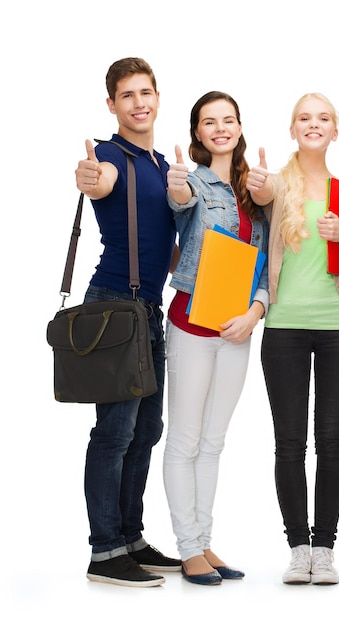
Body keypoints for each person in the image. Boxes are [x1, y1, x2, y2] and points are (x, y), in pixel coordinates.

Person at [246, 93, 339, 585]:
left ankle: (325, 548)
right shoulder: (276, 185)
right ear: (293, 129)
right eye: (304, 118)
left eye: (323, 119)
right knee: (289, 442)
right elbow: (257, 193)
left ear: (335, 131)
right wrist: (256, 183)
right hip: (284, 328)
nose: (313, 125)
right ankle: (298, 547)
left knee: (332, 441)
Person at [74, 57, 180, 587]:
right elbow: (99, 181)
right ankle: (104, 550)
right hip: (115, 305)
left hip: (148, 309)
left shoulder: (162, 163)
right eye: (128, 95)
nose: (139, 102)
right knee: (114, 431)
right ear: (112, 105)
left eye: (146, 92)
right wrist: (90, 178)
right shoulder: (111, 157)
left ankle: (131, 537)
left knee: (146, 429)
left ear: (158, 98)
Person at [163, 91, 269, 586]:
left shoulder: (255, 189)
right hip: (191, 323)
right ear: (198, 133)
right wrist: (180, 187)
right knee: (184, 439)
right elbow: (179, 205)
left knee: (214, 441)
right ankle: (187, 548)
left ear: (240, 126)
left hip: (238, 328)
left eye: (228, 120)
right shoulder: (192, 181)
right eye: (210, 122)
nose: (220, 128)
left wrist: (256, 312)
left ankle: (205, 543)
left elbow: (268, 261)